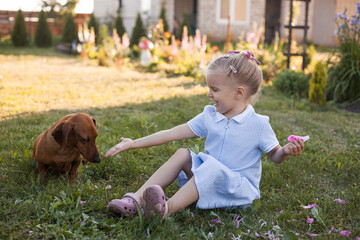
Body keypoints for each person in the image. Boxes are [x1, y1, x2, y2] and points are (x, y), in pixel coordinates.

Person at [105, 50, 305, 218]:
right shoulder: (210, 115)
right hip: (207, 179)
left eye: (214, 89)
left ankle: (164, 211)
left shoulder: (259, 124)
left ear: (239, 93)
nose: (209, 94)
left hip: (238, 192)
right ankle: (136, 200)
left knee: (211, 168)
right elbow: (173, 133)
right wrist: (132, 143)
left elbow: (276, 156)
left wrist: (286, 150)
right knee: (184, 153)